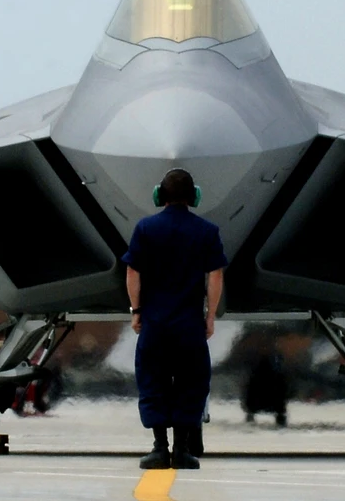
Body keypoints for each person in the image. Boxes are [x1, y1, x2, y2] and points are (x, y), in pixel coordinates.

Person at [125, 168, 227, 471]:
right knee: (191, 383)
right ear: (194, 197)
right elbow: (215, 276)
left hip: (155, 324)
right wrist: (210, 316)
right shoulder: (207, 231)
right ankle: (182, 451)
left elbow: (133, 273)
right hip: (189, 325)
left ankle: (159, 449)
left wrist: (136, 311)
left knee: (153, 382)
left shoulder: (145, 228)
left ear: (160, 195)